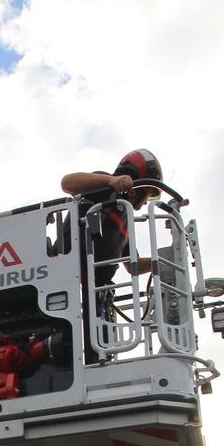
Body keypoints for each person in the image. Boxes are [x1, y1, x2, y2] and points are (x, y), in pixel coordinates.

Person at [60, 149, 164, 361]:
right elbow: (67, 183)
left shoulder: (125, 218)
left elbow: (132, 264)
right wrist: (111, 181)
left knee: (100, 353)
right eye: (148, 193)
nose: (145, 202)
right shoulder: (103, 188)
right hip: (71, 283)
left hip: (97, 291)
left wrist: (161, 262)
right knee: (73, 348)